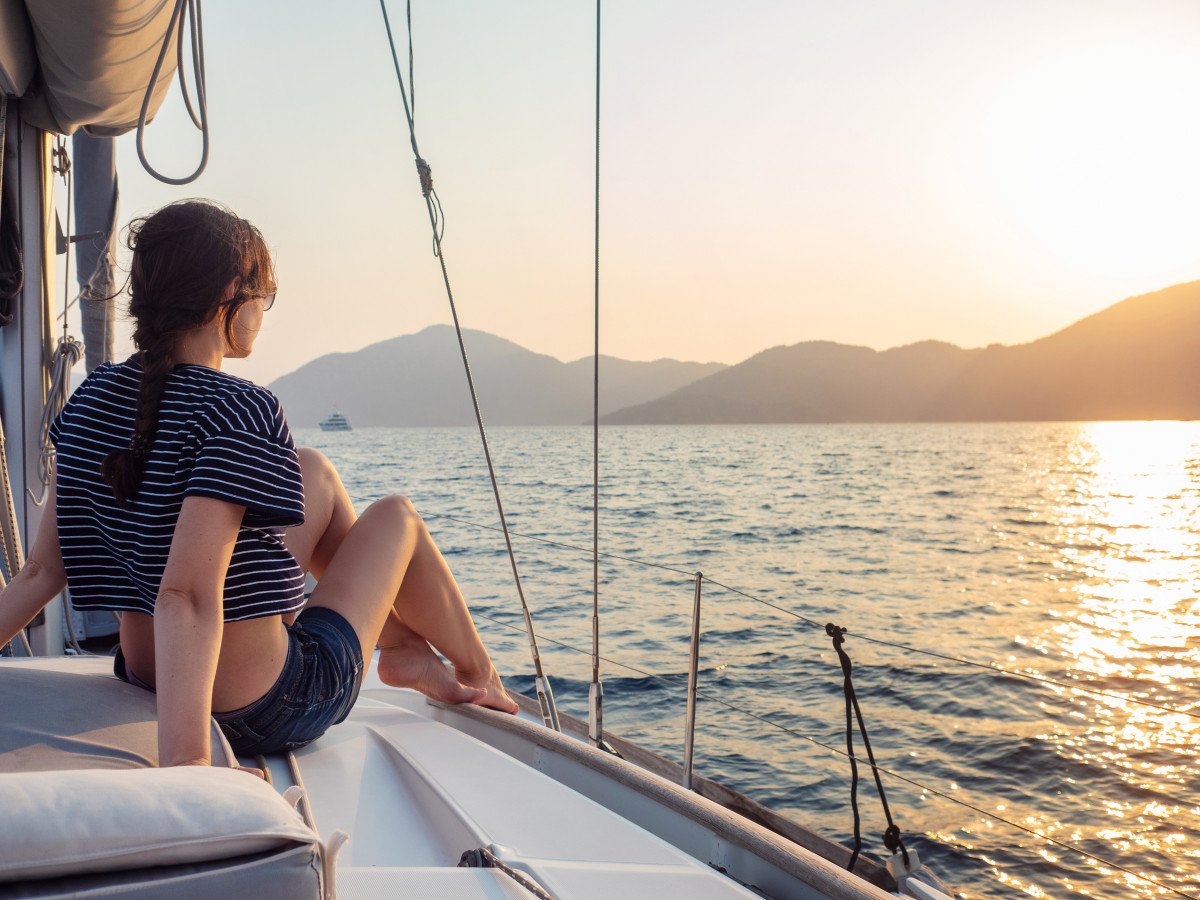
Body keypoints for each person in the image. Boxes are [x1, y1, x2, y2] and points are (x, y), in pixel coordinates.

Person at [0, 199, 518, 769]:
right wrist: (190, 763)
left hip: (143, 678)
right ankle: (478, 672)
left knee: (313, 469)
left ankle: (399, 644)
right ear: (231, 295)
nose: (264, 313)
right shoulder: (239, 408)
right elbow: (187, 596)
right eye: (264, 297)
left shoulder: (92, 397)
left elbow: (40, 572)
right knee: (397, 516)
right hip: (263, 706)